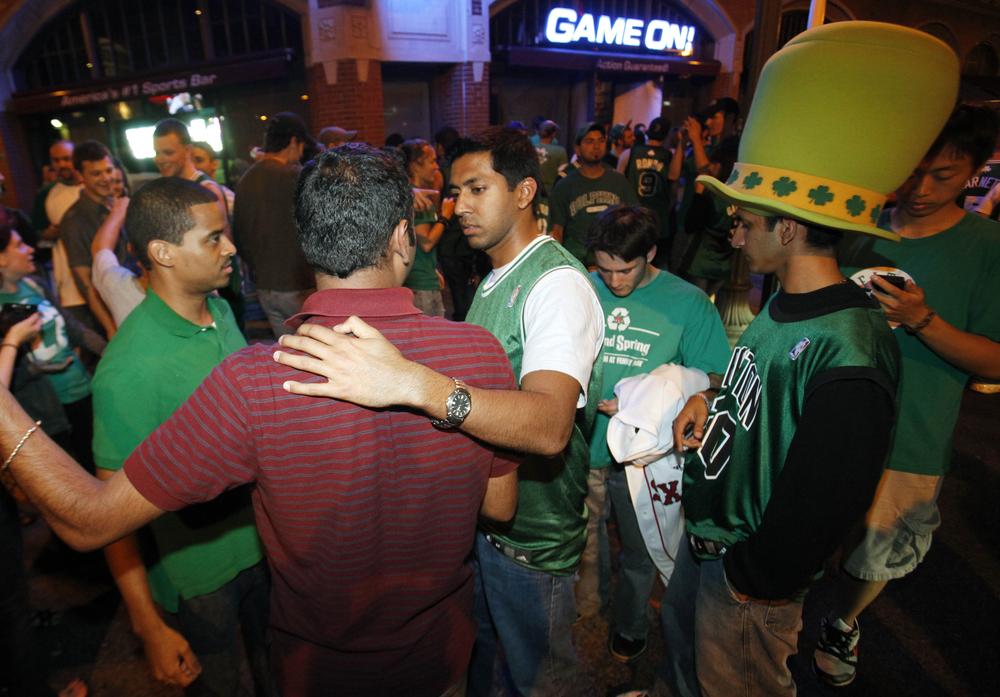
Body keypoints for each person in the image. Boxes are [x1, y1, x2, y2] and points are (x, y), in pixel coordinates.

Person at [0, 144, 519, 696]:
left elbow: (87, 519)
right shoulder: (479, 353)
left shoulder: (254, 381)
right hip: (440, 656)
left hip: (321, 671)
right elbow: (499, 505)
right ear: (400, 237)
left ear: (308, 244)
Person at [664, 21, 957, 697]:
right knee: (687, 671)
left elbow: (828, 495)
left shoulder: (850, 343)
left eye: (746, 221)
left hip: (747, 581)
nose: (734, 233)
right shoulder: (782, 303)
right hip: (715, 544)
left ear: (788, 227)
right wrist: (711, 398)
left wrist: (751, 577)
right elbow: (764, 398)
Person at [273, 126, 605, 695]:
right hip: (489, 527)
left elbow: (550, 428)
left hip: (533, 539)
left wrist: (416, 384)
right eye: (455, 192)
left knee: (543, 680)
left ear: (524, 192)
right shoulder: (498, 275)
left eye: (478, 189)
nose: (460, 208)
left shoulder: (555, 285)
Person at [815, 104, 1000, 687]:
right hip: (827, 420)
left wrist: (924, 321)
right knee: (814, 528)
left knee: (879, 547)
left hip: (913, 432)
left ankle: (843, 621)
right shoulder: (855, 228)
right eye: (912, 169)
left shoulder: (985, 245)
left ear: (973, 170)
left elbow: (993, 358)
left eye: (943, 175)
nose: (921, 188)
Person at [90, 177, 270, 696]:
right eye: (213, 238)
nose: (230, 247)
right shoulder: (127, 369)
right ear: (162, 252)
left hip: (265, 544)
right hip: (199, 579)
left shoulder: (219, 311)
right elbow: (109, 517)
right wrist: (148, 627)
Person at [582, 206, 730, 664]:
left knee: (641, 547)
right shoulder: (582, 287)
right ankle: (588, 607)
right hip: (582, 444)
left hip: (644, 460)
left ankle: (629, 624)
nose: (615, 282)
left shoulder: (687, 301)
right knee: (583, 538)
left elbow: (715, 376)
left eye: (625, 269)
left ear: (650, 252)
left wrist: (652, 394)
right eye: (604, 269)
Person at [0, 225, 105, 474]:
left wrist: (112, 351)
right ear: (1, 258)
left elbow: (74, 328)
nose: (30, 249)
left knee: (98, 468)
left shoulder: (35, 285)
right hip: (48, 413)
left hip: (82, 391)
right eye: (19, 245)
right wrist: (39, 368)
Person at [232, 112, 315, 337]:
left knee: (288, 352)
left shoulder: (246, 180)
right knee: (316, 353)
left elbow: (239, 235)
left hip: (265, 288)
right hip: (300, 286)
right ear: (293, 141)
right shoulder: (297, 176)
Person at [59, 140, 127, 337]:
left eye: (108, 170)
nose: (106, 178)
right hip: (115, 310)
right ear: (80, 176)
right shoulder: (74, 221)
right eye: (96, 174)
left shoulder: (116, 204)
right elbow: (86, 283)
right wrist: (111, 327)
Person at [549, 122, 638, 265]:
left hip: (613, 263)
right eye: (589, 141)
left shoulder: (619, 181)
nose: (596, 146)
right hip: (576, 264)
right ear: (577, 149)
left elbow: (634, 221)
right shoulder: (564, 185)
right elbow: (556, 231)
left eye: (601, 141)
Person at [399, 139, 453, 317]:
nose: (436, 167)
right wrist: (445, 216)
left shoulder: (410, 195)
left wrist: (433, 268)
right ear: (415, 166)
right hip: (420, 284)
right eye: (432, 161)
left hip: (420, 278)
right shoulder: (418, 200)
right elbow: (427, 242)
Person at [622, 117, 674, 267]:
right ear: (666, 135)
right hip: (657, 217)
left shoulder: (630, 153)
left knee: (632, 260)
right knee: (655, 264)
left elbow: (619, 182)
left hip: (632, 215)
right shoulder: (667, 156)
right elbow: (674, 182)